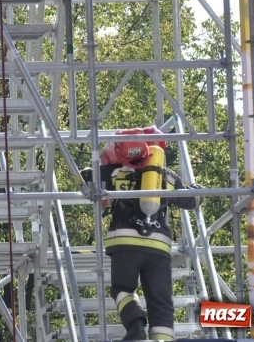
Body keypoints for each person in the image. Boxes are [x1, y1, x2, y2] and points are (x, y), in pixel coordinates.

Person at [81, 127, 202, 341]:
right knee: (161, 302)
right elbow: (191, 200)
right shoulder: (165, 176)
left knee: (122, 289)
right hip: (158, 246)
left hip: (124, 242)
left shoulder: (113, 172)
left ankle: (136, 325)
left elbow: (85, 180)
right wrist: (199, 191)